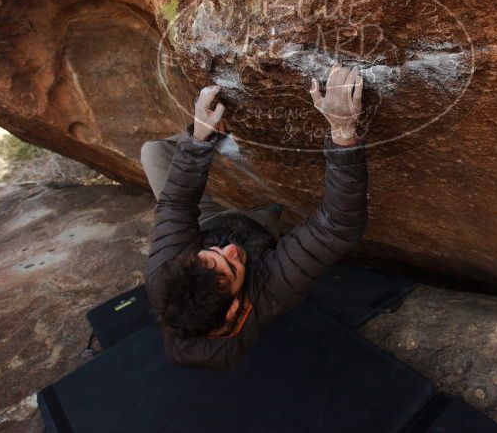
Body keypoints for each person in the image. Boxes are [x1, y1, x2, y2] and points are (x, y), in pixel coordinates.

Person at [140, 64, 368, 369]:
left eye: (212, 256)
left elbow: (175, 206)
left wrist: (199, 137)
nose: (230, 250)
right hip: (260, 236)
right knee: (273, 214)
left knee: (153, 152)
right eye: (231, 267)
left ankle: (218, 137)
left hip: (209, 224)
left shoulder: (165, 276)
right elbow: (337, 228)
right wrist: (343, 133)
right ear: (236, 309)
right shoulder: (271, 292)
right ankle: (269, 214)